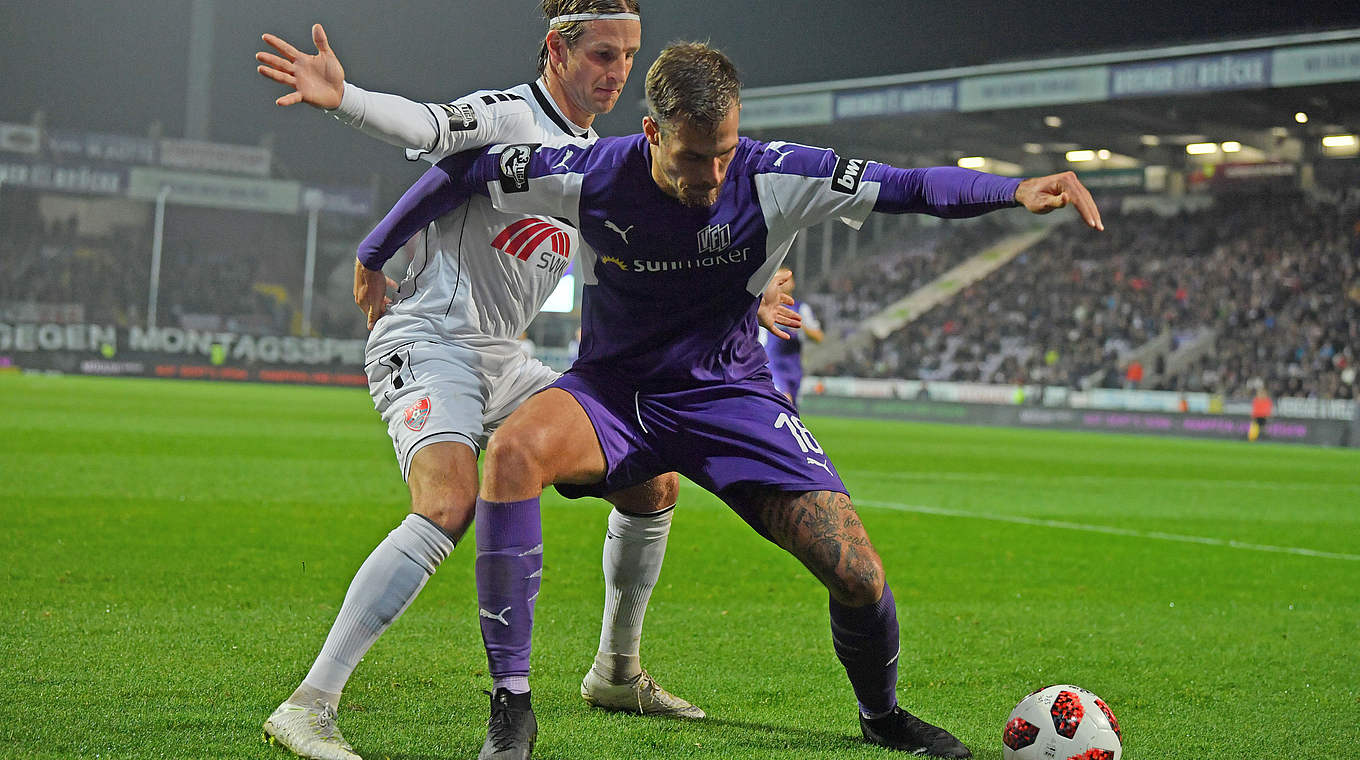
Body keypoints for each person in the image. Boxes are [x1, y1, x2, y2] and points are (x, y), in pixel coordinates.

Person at [361, 41, 1103, 758]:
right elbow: (465, 173)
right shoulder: (590, 172)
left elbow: (906, 185)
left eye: (725, 151)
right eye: (693, 156)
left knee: (856, 572)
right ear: (652, 133)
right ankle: (512, 707)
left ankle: (882, 714)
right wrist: (372, 254)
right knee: (514, 455)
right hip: (616, 394)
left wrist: (1011, 191)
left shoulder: (775, 175)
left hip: (730, 398)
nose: (714, 173)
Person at [254, 6, 719, 760]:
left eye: (629, 55)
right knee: (446, 503)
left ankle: (616, 672)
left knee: (652, 483)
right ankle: (309, 704)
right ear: (555, 51)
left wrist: (740, 286)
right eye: (603, 54)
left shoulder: (596, 156)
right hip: (428, 341)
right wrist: (345, 98)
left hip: (504, 358)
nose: (618, 72)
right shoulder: (505, 115)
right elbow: (427, 131)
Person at [760, 267, 824, 407]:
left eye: (786, 280)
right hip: (772, 364)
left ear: (793, 283)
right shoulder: (763, 307)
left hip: (794, 367)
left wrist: (800, 327)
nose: (782, 283)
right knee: (783, 402)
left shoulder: (801, 308)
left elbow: (819, 337)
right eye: (778, 280)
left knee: (792, 409)